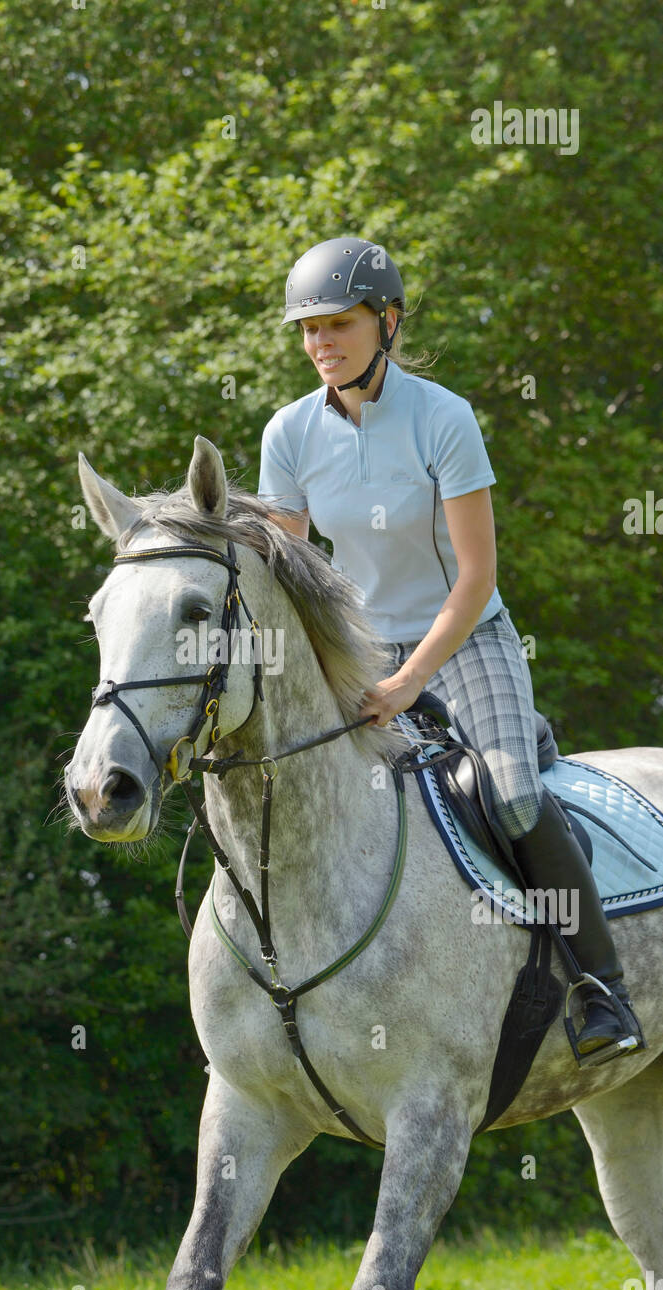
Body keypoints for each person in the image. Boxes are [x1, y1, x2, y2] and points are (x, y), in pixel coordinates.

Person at [257, 234, 643, 1064]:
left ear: (386, 321)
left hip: (464, 636)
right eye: (307, 330)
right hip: (357, 644)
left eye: (338, 324)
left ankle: (599, 987)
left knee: (506, 795)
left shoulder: (443, 418)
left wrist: (408, 681)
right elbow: (290, 578)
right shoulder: (286, 434)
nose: (320, 343)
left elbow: (474, 578)